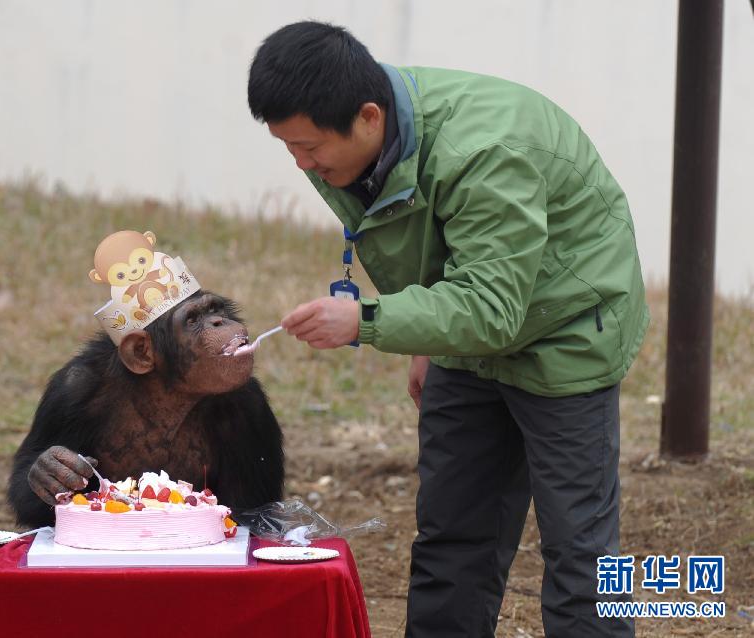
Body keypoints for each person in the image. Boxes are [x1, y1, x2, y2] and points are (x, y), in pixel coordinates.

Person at [248, 20, 648, 638]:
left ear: (369, 118)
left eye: (310, 148)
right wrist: (428, 334)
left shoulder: (485, 153)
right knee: (452, 538)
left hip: (564, 330)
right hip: (470, 318)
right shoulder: (351, 144)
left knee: (580, 555)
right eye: (288, 148)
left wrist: (370, 321)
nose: (302, 164)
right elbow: (430, 240)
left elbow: (491, 309)